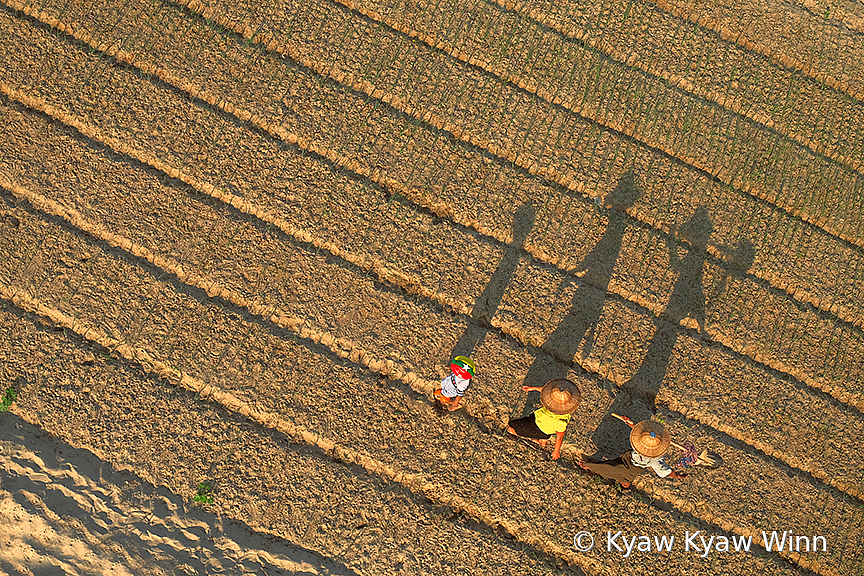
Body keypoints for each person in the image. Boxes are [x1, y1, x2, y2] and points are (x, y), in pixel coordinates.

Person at [578, 419, 687, 488]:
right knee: (614, 465)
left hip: (632, 468)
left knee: (611, 469)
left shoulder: (654, 457)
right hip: (628, 458)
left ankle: (589, 467)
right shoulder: (656, 454)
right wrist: (676, 475)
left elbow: (664, 470)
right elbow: (639, 431)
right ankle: (621, 483)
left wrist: (676, 475)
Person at [507, 379, 581, 460]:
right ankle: (543, 440)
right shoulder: (566, 408)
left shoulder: (560, 422)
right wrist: (533, 388)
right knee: (542, 434)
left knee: (511, 428)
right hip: (544, 425)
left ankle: (535, 439)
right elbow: (548, 391)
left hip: (539, 428)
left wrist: (556, 451)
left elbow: (559, 438)